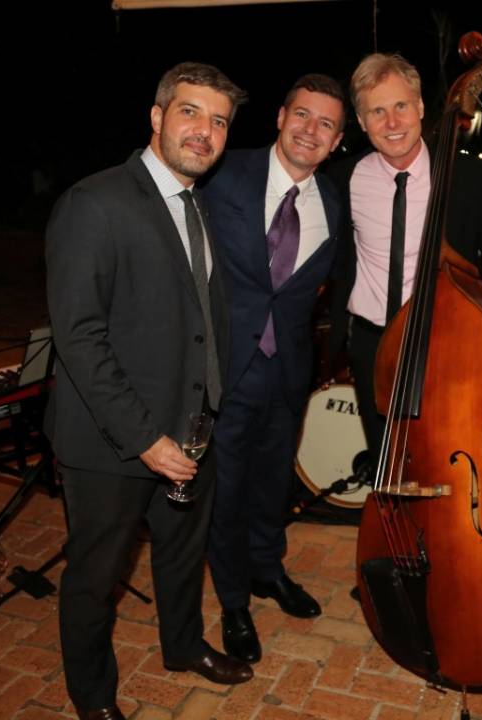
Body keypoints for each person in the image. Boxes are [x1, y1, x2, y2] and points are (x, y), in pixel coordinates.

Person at [45, 62, 251, 720]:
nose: (205, 131)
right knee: (95, 577)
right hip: (114, 442)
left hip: (192, 427)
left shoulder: (196, 202)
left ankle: (183, 646)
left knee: (183, 555)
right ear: (157, 116)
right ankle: (93, 698)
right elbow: (79, 339)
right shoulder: (94, 203)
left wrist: (207, 409)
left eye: (219, 121)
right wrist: (145, 439)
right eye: (190, 112)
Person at [202, 74, 346, 665]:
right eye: (303, 115)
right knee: (226, 490)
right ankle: (233, 600)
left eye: (326, 124)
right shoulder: (222, 173)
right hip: (224, 368)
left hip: (287, 372)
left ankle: (267, 569)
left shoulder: (333, 201)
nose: (311, 130)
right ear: (281, 116)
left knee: (270, 484)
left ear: (337, 140)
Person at [326, 52, 482, 456]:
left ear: (419, 107)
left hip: (445, 342)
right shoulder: (342, 179)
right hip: (371, 344)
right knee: (386, 461)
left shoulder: (467, 176)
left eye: (401, 106)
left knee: (447, 456)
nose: (392, 122)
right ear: (361, 121)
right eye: (377, 112)